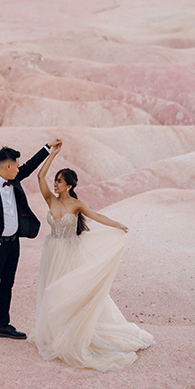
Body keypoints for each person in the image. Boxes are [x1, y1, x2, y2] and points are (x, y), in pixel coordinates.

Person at [32, 140, 154, 371]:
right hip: (52, 252)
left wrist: (118, 225)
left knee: (66, 292)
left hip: (69, 253)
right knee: (50, 291)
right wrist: (52, 155)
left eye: (59, 181)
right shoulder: (50, 199)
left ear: (68, 186)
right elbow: (40, 177)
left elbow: (97, 216)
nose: (55, 184)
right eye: (55, 181)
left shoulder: (77, 204)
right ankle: (53, 332)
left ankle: (71, 333)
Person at [0, 141, 57, 346]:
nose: (18, 169)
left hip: (14, 243)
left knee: (8, 284)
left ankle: (2, 325)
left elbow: (30, 166)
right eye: (16, 166)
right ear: (7, 166)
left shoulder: (14, 179)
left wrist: (47, 148)